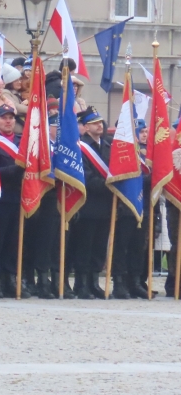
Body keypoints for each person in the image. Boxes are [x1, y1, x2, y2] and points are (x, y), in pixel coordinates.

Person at [0, 104, 27, 299]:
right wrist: (14, 170)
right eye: (4, 118)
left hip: (19, 197)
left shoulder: (22, 142)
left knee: (13, 241)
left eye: (11, 118)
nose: (8, 121)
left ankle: (10, 278)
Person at [74, 106, 110, 300]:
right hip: (88, 204)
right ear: (86, 127)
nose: (99, 126)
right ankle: (82, 284)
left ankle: (94, 282)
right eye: (94, 123)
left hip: (105, 206)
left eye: (100, 122)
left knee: (99, 246)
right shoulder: (81, 148)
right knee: (84, 246)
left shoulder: (107, 146)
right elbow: (85, 177)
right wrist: (110, 185)